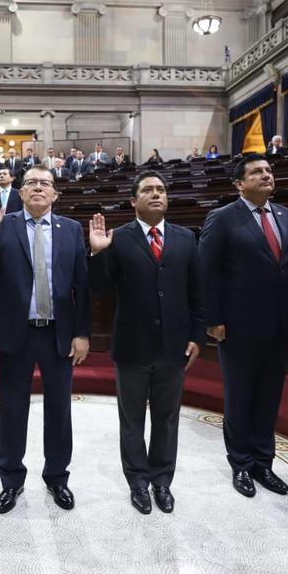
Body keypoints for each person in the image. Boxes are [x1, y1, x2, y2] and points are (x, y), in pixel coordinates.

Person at [0, 166, 91, 514]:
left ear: (55, 193)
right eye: (32, 184)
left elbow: (82, 288)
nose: (39, 188)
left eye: (46, 183)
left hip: (58, 333)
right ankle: (11, 480)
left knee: (59, 409)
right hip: (16, 334)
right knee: (12, 409)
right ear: (20, 193)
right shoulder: (2, 225)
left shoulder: (70, 229)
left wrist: (82, 332)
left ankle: (57, 476)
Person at [88, 171, 205, 514]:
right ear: (133, 201)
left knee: (167, 419)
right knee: (132, 420)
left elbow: (197, 292)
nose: (156, 194)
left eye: (161, 190)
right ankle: (138, 481)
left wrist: (198, 336)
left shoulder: (186, 238)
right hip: (132, 347)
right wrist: (97, 255)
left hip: (174, 346)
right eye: (148, 190)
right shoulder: (119, 238)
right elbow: (100, 290)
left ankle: (162, 481)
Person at [198, 153, 288, 499]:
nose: (266, 175)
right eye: (257, 172)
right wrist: (212, 320)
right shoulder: (223, 218)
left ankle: (264, 462)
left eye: (268, 171)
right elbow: (206, 272)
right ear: (239, 184)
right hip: (238, 325)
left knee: (269, 397)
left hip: (280, 325)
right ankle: (241, 464)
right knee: (241, 397)